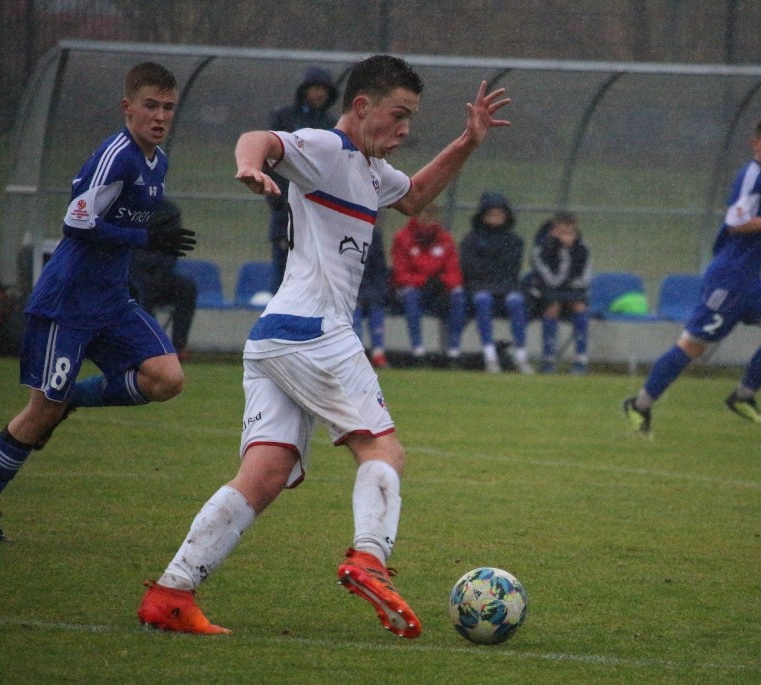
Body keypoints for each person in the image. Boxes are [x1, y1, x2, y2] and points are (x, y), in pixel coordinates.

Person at [136, 54, 511, 637]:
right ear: (361, 108)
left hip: (274, 337)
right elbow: (259, 138)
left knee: (264, 473)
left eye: (411, 117)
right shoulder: (326, 148)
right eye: (399, 115)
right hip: (315, 332)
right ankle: (370, 558)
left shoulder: (367, 167)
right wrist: (250, 167)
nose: (407, 129)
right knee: (383, 451)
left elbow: (412, 196)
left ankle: (171, 593)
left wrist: (467, 141)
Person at [0, 62, 196, 543]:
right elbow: (76, 221)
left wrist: (146, 239)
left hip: (111, 301)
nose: (160, 116)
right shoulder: (117, 155)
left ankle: (76, 399)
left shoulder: (159, 162)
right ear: (127, 107)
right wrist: (146, 237)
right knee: (39, 412)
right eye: (150, 105)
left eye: (168, 107)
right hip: (66, 303)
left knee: (167, 378)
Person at [623, 116, 761, 436]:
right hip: (729, 281)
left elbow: (743, 226)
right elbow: (736, 222)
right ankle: (639, 404)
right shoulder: (753, 176)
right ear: (756, 144)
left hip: (750, 279)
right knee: (692, 347)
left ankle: (743, 396)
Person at [266, 66, 339, 293]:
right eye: (315, 88)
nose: (319, 94)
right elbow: (267, 160)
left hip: (321, 216)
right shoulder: (284, 119)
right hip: (286, 214)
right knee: (285, 284)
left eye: (324, 89)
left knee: (318, 286)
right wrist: (279, 198)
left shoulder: (332, 125)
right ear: (304, 90)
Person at [459, 191, 531, 374]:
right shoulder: (471, 239)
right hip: (479, 289)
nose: (496, 218)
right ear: (482, 215)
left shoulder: (514, 241)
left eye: (499, 214)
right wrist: (488, 277)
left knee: (516, 302)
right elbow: (470, 269)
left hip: (507, 289)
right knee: (483, 301)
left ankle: (521, 356)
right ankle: (490, 355)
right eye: (491, 214)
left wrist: (494, 277)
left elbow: (511, 270)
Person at [390, 204, 465, 365]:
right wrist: (424, 281)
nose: (427, 223)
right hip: (415, 290)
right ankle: (418, 350)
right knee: (410, 295)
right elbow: (400, 274)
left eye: (431, 218)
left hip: (438, 290)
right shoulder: (403, 238)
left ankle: (454, 352)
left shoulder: (445, 239)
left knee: (458, 295)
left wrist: (442, 282)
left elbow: (454, 272)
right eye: (423, 218)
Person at [524, 211, 591, 374]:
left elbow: (585, 278)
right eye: (562, 233)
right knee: (552, 305)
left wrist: (572, 284)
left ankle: (581, 359)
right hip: (543, 295)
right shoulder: (540, 250)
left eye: (571, 233)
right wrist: (564, 258)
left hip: (571, 293)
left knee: (580, 306)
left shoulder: (583, 249)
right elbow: (551, 281)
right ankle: (548, 359)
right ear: (553, 232)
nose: (567, 238)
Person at [130, 199, 198, 358]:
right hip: (132, 277)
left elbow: (173, 249)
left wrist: (158, 271)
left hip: (160, 276)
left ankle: (179, 347)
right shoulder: (126, 208)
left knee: (187, 288)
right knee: (136, 291)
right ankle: (150, 348)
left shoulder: (169, 210)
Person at [353, 224, 390, 368]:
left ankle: (378, 352)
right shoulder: (346, 232)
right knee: (354, 310)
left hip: (370, 287)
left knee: (376, 307)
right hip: (352, 288)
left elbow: (380, 269)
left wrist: (379, 292)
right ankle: (357, 353)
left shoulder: (375, 236)